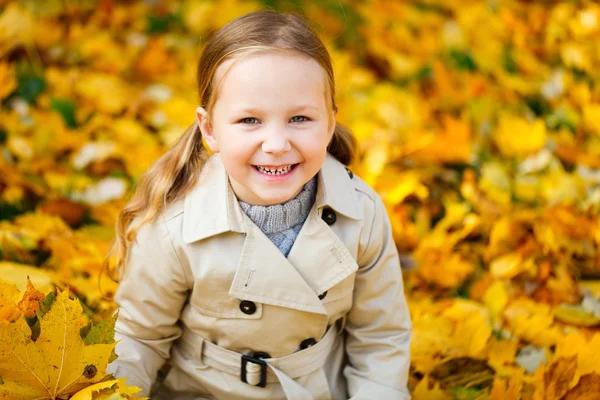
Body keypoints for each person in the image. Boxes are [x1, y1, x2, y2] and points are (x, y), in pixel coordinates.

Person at [104, 9, 412, 400]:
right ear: (210, 129)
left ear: (330, 124)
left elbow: (380, 338)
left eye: (300, 118)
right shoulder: (175, 227)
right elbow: (139, 339)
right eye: (250, 120)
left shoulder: (361, 214)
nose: (276, 143)